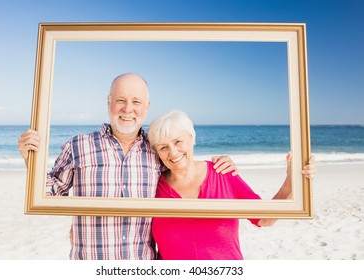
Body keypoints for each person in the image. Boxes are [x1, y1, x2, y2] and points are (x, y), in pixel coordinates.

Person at [17, 73, 237, 260]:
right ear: (109, 102)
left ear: (147, 106)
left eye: (136, 102)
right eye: (120, 100)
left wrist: (218, 166)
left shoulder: (157, 150)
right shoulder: (78, 146)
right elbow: (49, 194)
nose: (128, 109)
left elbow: (185, 173)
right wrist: (30, 159)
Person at [147, 110, 316, 260]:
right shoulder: (153, 187)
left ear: (191, 138)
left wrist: (292, 180)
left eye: (178, 142)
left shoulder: (222, 172)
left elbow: (265, 219)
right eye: (163, 147)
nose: (173, 152)